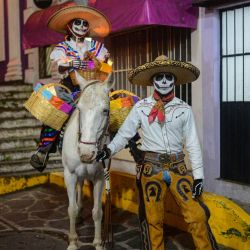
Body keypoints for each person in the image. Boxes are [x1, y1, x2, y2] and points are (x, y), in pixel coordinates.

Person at [96, 55, 218, 250]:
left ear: (174, 80)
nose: (163, 81)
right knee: (154, 220)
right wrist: (108, 150)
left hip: (178, 168)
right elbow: (124, 134)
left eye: (168, 77)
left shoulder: (184, 109)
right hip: (151, 169)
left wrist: (199, 176)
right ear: (152, 80)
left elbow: (193, 144)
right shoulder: (140, 108)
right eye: (159, 77)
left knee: (197, 215)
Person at [30, 4, 111, 172]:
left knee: (114, 108)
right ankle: (43, 150)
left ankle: (133, 146)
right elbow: (60, 66)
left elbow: (106, 66)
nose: (81, 27)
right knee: (56, 108)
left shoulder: (95, 46)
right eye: (77, 23)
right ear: (70, 26)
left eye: (84, 24)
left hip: (93, 87)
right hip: (70, 88)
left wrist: (102, 64)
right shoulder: (63, 47)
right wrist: (72, 63)